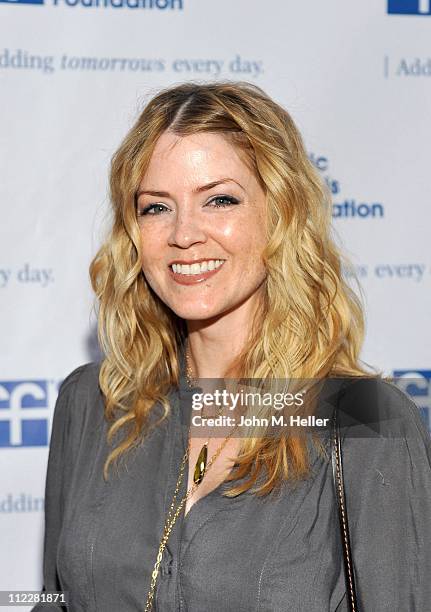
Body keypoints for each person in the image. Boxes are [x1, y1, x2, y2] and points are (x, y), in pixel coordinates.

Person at [32, 81, 431, 612]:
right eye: (156, 208)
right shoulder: (91, 403)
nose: (183, 234)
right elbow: (57, 600)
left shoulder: (366, 419)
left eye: (219, 199)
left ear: (281, 214)